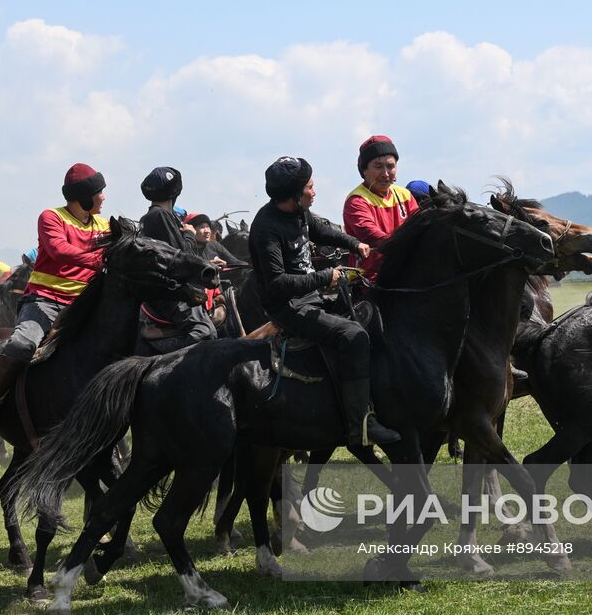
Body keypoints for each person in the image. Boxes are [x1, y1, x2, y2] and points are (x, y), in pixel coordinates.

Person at [248, 156, 399, 446]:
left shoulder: (299, 211)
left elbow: (320, 230)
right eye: (310, 187)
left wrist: (354, 243)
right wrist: (325, 277)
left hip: (312, 296)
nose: (315, 191)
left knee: (370, 313)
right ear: (294, 194)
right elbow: (277, 283)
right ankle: (359, 427)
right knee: (353, 335)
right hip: (289, 307)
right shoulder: (266, 227)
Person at [0, 163, 110, 436]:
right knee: (21, 345)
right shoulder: (51, 217)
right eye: (99, 192)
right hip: (45, 301)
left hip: (87, 304)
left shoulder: (104, 225)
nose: (103, 197)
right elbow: (59, 250)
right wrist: (101, 258)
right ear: (85, 196)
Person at [137, 167, 215, 353]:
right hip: (171, 294)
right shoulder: (161, 216)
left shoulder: (150, 216)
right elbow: (181, 259)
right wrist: (189, 235)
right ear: (176, 191)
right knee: (206, 332)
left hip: (159, 292)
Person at [343, 135, 419, 281]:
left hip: (405, 272)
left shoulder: (405, 195)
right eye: (378, 167)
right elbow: (374, 237)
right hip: (369, 279)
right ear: (364, 170)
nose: (385, 174)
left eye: (390, 166)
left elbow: (421, 229)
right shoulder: (357, 201)